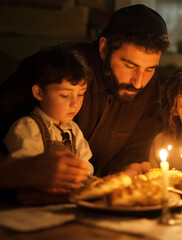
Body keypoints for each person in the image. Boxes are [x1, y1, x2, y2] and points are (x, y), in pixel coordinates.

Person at [0, 4, 170, 183]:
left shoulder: (149, 87)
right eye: (130, 66)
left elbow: (135, 151)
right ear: (104, 49)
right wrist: (25, 172)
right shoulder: (56, 66)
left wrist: (122, 177)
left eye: (150, 69)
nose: (139, 82)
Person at [3, 46, 94, 177]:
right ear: (39, 92)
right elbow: (23, 174)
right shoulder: (28, 128)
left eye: (81, 94)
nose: (75, 104)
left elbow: (86, 169)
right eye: (65, 95)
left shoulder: (74, 131)